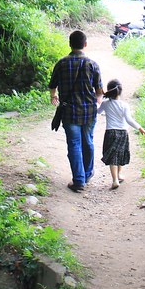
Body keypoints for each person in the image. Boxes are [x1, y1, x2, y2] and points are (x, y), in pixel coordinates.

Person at [48, 30, 103, 192]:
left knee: (74, 144)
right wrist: (97, 103)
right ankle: (86, 174)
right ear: (85, 44)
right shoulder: (92, 65)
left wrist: (54, 96)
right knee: (88, 141)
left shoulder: (61, 63)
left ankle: (79, 180)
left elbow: (53, 85)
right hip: (89, 111)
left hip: (70, 111)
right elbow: (99, 91)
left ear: (69, 44)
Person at [97, 79, 145, 189]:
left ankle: (115, 180)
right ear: (120, 91)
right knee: (120, 154)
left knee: (112, 156)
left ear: (109, 91)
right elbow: (129, 120)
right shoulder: (124, 105)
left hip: (110, 132)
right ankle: (119, 174)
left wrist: (97, 101)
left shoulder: (105, 104)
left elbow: (98, 112)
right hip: (123, 132)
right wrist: (140, 127)